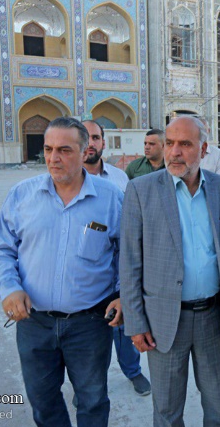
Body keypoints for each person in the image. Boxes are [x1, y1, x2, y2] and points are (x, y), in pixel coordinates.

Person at [0, 117, 123, 427]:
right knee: (44, 402)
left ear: (85, 150)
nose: (53, 158)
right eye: (48, 149)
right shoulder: (23, 195)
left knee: (92, 400)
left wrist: (124, 295)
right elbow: (1, 248)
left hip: (90, 325)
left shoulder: (110, 198)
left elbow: (127, 254)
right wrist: (9, 287)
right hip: (34, 323)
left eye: (64, 150)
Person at [121, 116, 220, 427]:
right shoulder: (140, 190)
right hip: (163, 322)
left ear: (203, 149)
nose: (175, 152)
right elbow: (130, 262)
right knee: (167, 409)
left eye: (185, 144)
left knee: (219, 405)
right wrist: (135, 322)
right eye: (170, 144)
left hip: (212, 319)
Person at [82, 120, 151, 396]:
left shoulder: (119, 178)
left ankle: (133, 372)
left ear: (103, 143)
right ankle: (87, 382)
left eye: (96, 138)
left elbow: (130, 222)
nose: (90, 143)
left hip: (119, 267)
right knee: (87, 337)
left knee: (124, 323)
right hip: (86, 273)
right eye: (85, 138)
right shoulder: (64, 179)